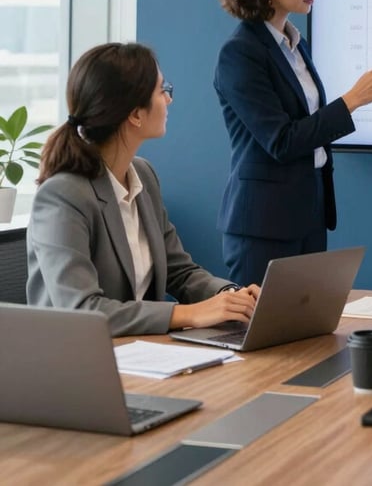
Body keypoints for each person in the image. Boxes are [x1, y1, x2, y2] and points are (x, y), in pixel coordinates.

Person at [27, 42, 260, 337]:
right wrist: (187, 313)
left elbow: (180, 271)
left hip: (142, 353)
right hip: (76, 363)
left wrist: (231, 296)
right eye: (163, 90)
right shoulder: (63, 194)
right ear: (136, 114)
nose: (169, 100)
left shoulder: (143, 176)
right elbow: (81, 309)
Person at [215, 0, 372, 285]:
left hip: (307, 213)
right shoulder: (240, 54)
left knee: (307, 334)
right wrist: (352, 101)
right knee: (266, 337)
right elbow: (281, 141)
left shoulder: (294, 43)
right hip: (264, 225)